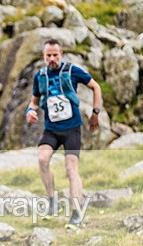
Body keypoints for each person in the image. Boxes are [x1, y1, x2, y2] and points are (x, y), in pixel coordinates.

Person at [26, 38, 102, 229]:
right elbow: (34, 101)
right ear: (44, 57)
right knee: (42, 159)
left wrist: (95, 112)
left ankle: (76, 212)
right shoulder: (40, 76)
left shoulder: (71, 71)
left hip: (72, 128)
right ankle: (52, 201)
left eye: (55, 55)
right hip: (51, 129)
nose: (52, 59)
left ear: (61, 55)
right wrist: (30, 111)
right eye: (48, 55)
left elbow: (96, 87)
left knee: (71, 169)